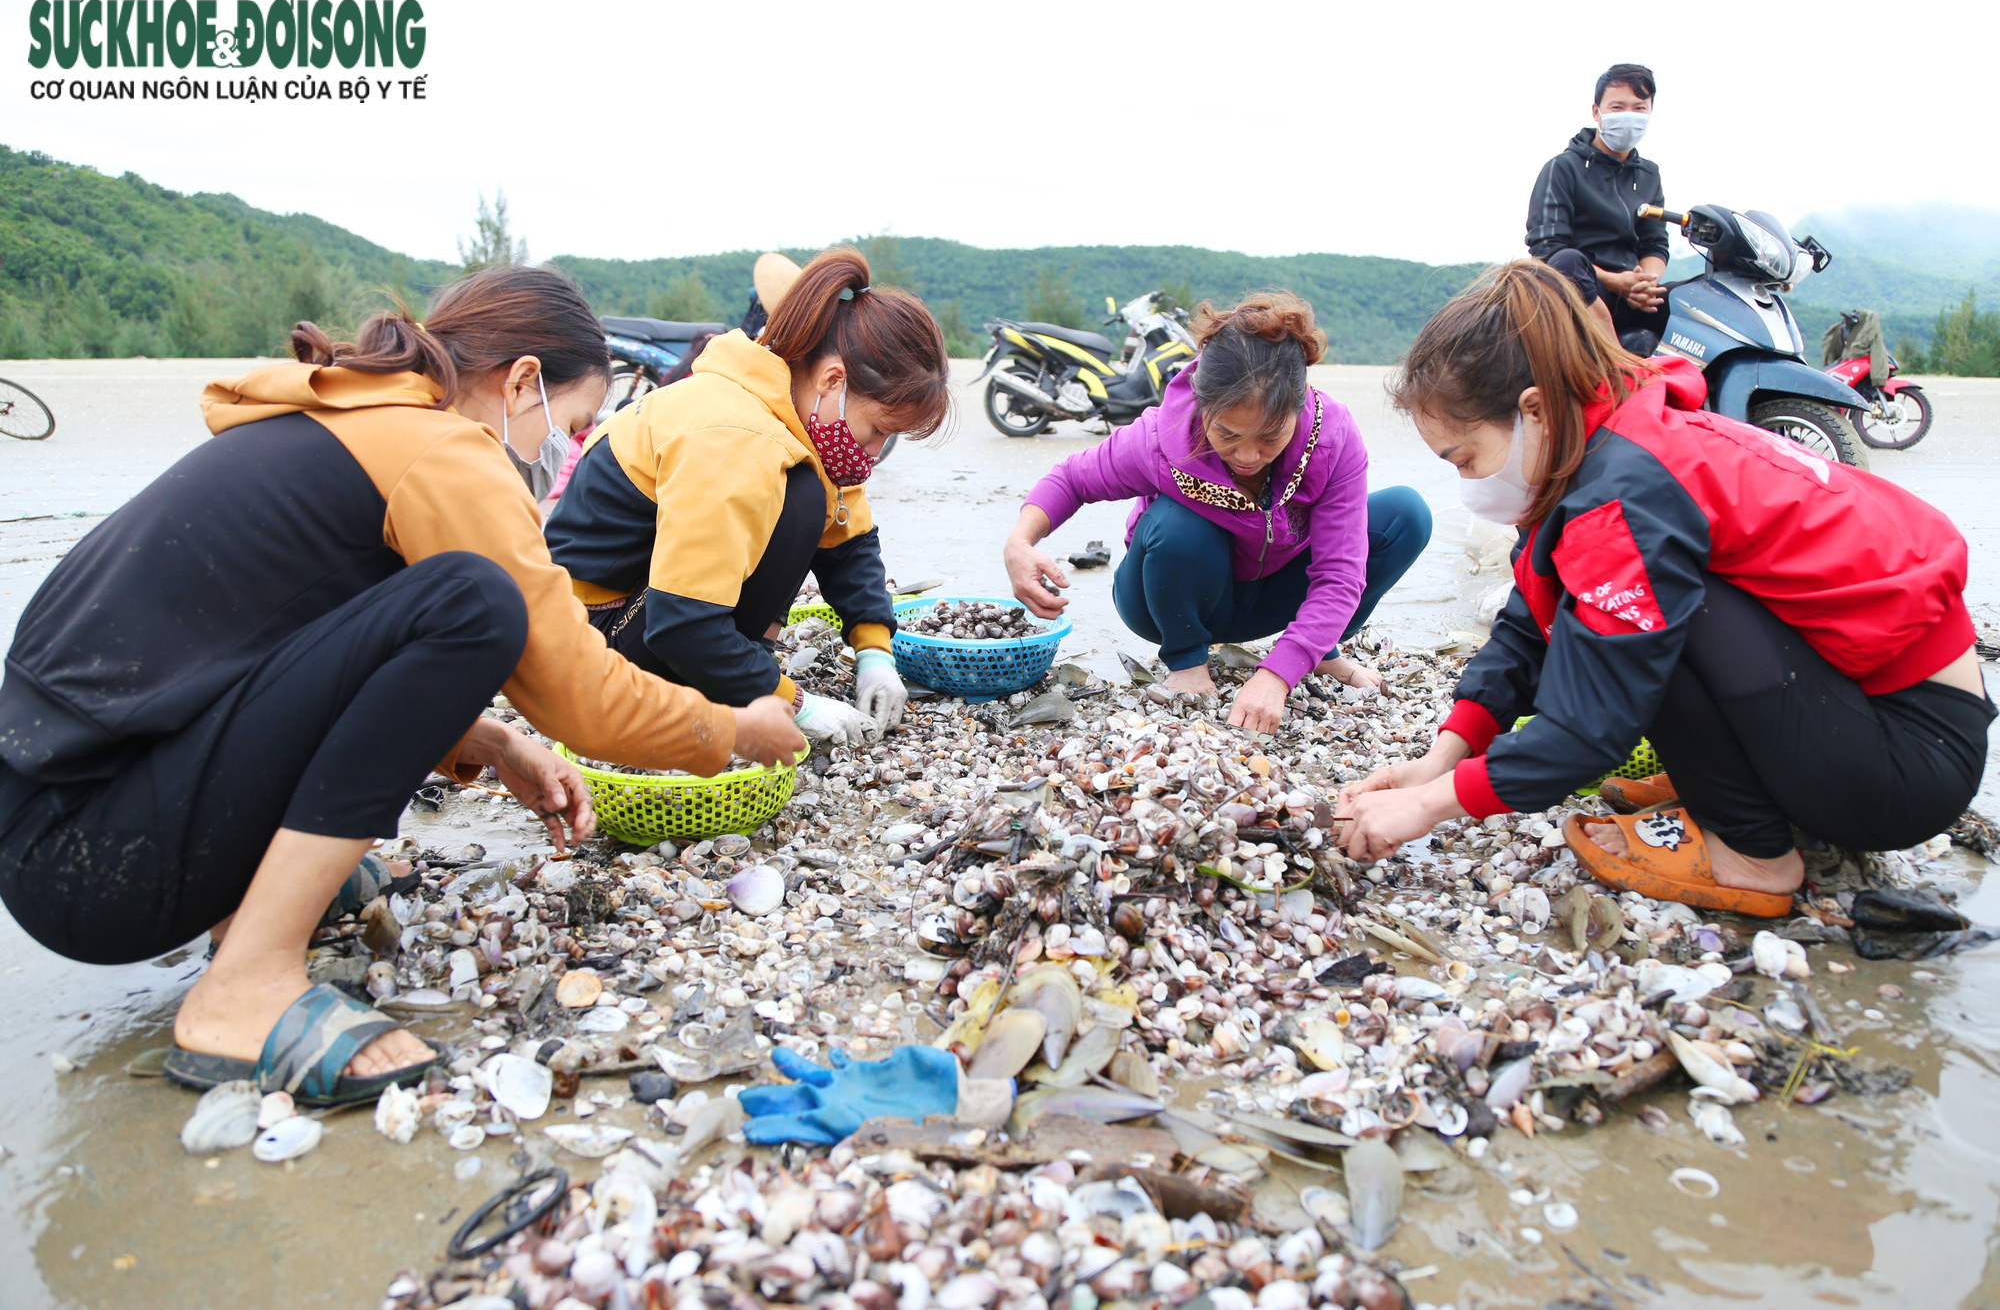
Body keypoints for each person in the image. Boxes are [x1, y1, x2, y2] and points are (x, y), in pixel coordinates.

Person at [0, 265, 805, 1106]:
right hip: (100, 863)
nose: (564, 446)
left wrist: (489, 742)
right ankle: (245, 986)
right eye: (572, 422)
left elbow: (298, 652)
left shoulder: (342, 420)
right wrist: (734, 728)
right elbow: (581, 693)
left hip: (62, 823)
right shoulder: (442, 449)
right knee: (472, 601)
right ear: (522, 380)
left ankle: (255, 893)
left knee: (441, 603)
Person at [1338, 261, 1992, 916]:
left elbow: (1587, 726)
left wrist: (1427, 806)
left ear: (1533, 409)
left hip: (1908, 760)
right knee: (1627, 599)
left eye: (1465, 457)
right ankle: (1737, 796)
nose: (1469, 482)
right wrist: (1439, 758)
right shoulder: (1608, 434)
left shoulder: (1624, 494)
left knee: (1652, 616)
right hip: (1865, 713)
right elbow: (1527, 622)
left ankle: (1753, 854)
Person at [544, 248, 950, 745]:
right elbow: (681, 624)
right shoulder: (736, 433)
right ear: (833, 380)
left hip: (645, 612)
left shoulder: (794, 412)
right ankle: (725, 679)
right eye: (878, 429)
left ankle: (734, 669)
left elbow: (848, 540)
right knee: (799, 496)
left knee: (810, 492)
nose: (875, 450)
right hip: (586, 651)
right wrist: (792, 703)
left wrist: (874, 653)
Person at [1003, 291, 1433, 734]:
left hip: (1275, 595)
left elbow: (1340, 574)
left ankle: (1318, 652)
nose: (1248, 455)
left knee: (1405, 515)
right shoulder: (1162, 434)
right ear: (1202, 404)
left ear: (1298, 407)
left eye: (1270, 437)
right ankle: (1186, 659)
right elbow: (1071, 480)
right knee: (1178, 521)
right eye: (1227, 434)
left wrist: (1277, 676)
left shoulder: (1332, 437)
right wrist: (1020, 543)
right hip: (1169, 599)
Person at [1526, 63, 1669, 350]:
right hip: (1582, 290)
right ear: (1597, 112)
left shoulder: (1649, 174)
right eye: (1618, 107)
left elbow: (1654, 243)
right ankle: (1616, 358)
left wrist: (1644, 285)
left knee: (1691, 295)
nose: (1629, 116)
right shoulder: (1562, 168)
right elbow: (1548, 250)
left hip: (1633, 295)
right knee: (1567, 260)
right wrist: (1615, 281)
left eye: (1639, 108)